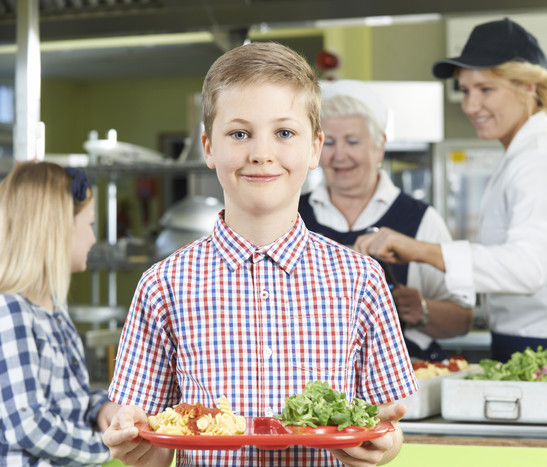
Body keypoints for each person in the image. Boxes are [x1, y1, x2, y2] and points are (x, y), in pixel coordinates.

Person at [102, 42, 417, 467]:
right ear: (209, 148)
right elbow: (150, 441)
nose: (261, 153)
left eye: (284, 133)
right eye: (239, 133)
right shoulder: (163, 285)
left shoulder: (361, 280)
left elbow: (386, 424)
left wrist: (386, 445)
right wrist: (134, 446)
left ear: (314, 148)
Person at [355, 18, 547, 367]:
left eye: (485, 89)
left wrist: (419, 250)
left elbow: (527, 268)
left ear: (528, 87)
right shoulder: (524, 155)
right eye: (465, 91)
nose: (470, 105)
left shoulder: (543, 160)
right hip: (539, 350)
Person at [299, 79, 473, 362]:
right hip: (310, 381)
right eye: (329, 142)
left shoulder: (420, 219)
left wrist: (422, 310)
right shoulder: (292, 216)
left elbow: (464, 320)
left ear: (379, 146)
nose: (339, 155)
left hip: (403, 384)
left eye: (353, 141)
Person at [0, 161, 118, 465]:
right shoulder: (10, 311)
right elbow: (28, 426)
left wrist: (101, 408)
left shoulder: (53, 308)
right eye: (89, 224)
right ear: (58, 227)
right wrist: (105, 448)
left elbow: (67, 399)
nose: (93, 239)